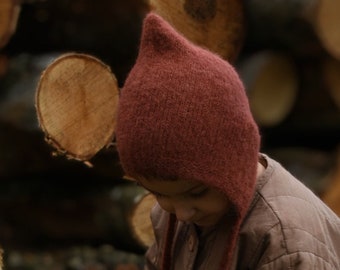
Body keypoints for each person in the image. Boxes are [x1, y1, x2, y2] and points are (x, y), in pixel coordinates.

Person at [115, 12, 340, 270]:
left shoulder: (286, 244)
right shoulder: (173, 214)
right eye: (158, 194)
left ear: (234, 162)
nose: (183, 213)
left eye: (197, 193)